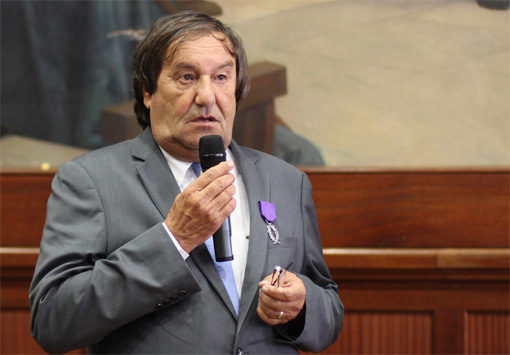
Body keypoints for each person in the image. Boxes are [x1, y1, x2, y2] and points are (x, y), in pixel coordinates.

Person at [29, 11, 343, 354]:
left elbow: (328, 311)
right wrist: (174, 239)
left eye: (222, 77)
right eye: (186, 77)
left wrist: (300, 305)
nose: (207, 96)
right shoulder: (90, 180)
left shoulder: (286, 180)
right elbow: (53, 321)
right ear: (147, 91)